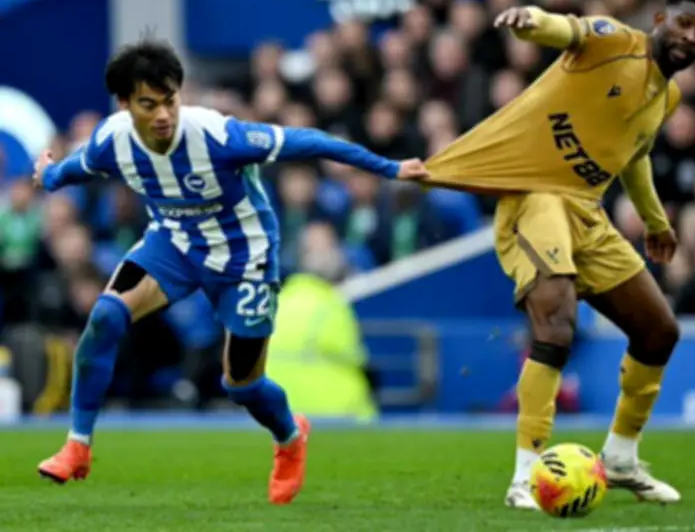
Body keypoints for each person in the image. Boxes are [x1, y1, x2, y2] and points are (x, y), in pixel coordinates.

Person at [32, 40, 428, 504]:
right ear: (124, 104)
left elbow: (312, 142)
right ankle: (78, 445)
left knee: (240, 384)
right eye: (148, 104)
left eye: (170, 100)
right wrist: (51, 174)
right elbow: (78, 168)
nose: (163, 114)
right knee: (105, 317)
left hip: (245, 257)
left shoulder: (218, 136)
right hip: (175, 243)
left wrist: (390, 167)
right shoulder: (112, 139)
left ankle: (289, 437)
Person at [422, 0, 695, 509]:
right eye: (684, 23)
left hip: (587, 209)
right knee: (556, 323)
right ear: (659, 19)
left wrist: (655, 221)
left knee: (658, 332)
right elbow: (567, 29)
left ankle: (622, 457)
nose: (691, 37)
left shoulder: (667, 95)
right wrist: (529, 20)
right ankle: (524, 476)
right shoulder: (614, 42)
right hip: (538, 198)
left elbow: (633, 155)